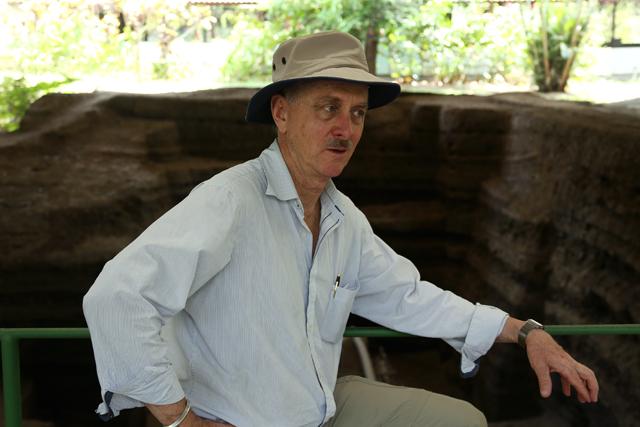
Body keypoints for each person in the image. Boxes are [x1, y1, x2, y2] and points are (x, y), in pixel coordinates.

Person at [83, 31, 598, 427]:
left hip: (320, 407)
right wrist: (179, 418)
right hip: (244, 417)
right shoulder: (229, 201)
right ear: (281, 114)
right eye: (328, 107)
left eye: (356, 114)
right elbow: (116, 298)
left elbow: (410, 296)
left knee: (461, 420)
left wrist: (525, 332)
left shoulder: (340, 217)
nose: (345, 128)